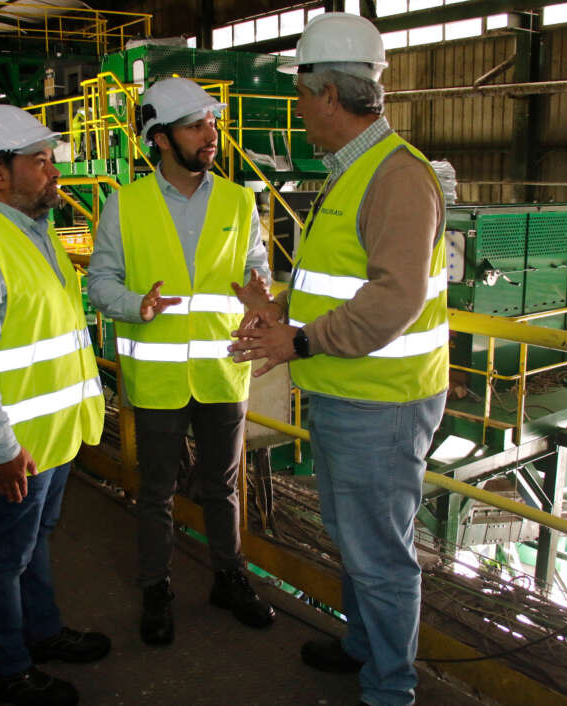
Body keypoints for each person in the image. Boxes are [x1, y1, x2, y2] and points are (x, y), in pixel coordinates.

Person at [229, 13, 448, 706]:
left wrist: (297, 340)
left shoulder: (397, 178)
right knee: (355, 537)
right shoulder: (353, 173)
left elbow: (393, 301)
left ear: (328, 94)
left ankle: (390, 689)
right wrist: (284, 312)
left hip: (381, 401)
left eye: (300, 96)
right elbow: (348, 284)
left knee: (380, 555)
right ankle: (363, 648)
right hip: (348, 389)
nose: (299, 111)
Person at [87, 77, 275, 646]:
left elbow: (256, 264)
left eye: (212, 123)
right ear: (161, 138)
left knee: (221, 487)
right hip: (159, 377)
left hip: (222, 370)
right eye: (197, 126)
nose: (211, 135)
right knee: (156, 490)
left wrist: (259, 292)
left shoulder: (240, 202)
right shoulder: (126, 205)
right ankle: (156, 588)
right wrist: (134, 305)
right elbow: (99, 282)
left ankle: (228, 577)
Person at [0, 104, 109, 706]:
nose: (52, 171)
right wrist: (2, 446)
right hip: (16, 447)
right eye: (39, 162)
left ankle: (43, 632)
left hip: (53, 436)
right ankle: (7, 668)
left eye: (50, 160)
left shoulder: (33, 235)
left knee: (35, 542)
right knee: (4, 557)